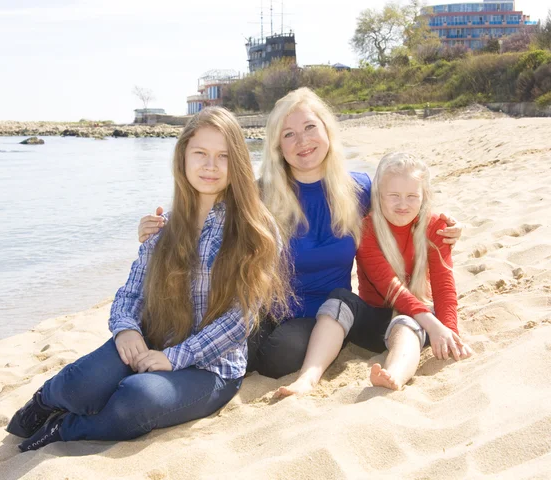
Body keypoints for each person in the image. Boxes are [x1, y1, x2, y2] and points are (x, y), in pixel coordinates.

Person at [6, 107, 290, 452]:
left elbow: (239, 321)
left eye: (223, 156)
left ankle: (66, 428)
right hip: (153, 340)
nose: (210, 166)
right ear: (183, 156)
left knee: (136, 398)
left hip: (212, 369)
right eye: (200, 153)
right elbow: (130, 293)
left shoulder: (255, 229)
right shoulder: (162, 226)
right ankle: (46, 401)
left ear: (239, 164)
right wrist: (126, 328)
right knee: (80, 385)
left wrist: (175, 358)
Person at [138, 88, 463, 380]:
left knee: (279, 358)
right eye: (288, 134)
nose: (302, 141)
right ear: (278, 145)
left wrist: (445, 225)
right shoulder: (260, 193)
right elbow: (204, 217)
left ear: (326, 131)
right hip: (263, 309)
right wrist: (158, 227)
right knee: (228, 346)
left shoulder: (359, 189)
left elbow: (403, 208)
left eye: (310, 128)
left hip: (326, 315)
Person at [278, 152, 473, 397]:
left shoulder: (437, 228)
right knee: (339, 298)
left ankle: (395, 374)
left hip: (416, 323)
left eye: (412, 196)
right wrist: (434, 325)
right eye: (394, 196)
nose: (403, 204)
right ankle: (307, 378)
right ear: (378, 196)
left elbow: (444, 287)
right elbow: (389, 285)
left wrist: (447, 331)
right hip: (372, 322)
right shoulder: (367, 229)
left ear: (424, 198)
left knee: (406, 321)